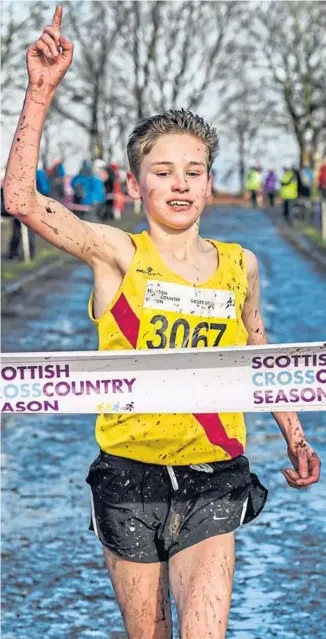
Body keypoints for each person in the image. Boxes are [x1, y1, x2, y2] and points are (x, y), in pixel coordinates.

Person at [3, 8, 321, 638]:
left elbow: (258, 352)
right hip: (129, 478)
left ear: (208, 183)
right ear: (136, 183)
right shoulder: (117, 254)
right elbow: (20, 201)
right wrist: (40, 91)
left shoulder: (240, 265)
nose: (180, 185)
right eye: (163, 172)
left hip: (215, 472)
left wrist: (294, 434)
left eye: (193, 172)